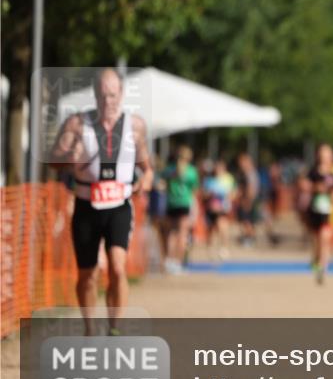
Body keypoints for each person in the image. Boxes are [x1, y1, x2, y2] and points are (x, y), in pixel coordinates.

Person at [49, 68, 154, 335]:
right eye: (102, 95)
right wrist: (71, 156)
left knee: (118, 269)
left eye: (113, 95)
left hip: (119, 205)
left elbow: (147, 167)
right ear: (95, 94)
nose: (108, 101)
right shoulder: (76, 123)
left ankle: (115, 328)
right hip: (86, 204)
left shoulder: (135, 125)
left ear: (121, 94)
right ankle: (89, 328)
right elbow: (54, 160)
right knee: (87, 274)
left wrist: (145, 180)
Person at [161, 145, 199, 273]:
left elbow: (162, 184)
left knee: (171, 234)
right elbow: (194, 191)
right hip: (184, 204)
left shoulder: (169, 170)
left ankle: (169, 260)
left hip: (171, 203)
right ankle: (178, 262)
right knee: (182, 234)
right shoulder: (192, 172)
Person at [305, 144, 333, 285]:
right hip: (314, 210)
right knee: (316, 240)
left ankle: (323, 268)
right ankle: (316, 259)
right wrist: (315, 188)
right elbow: (304, 185)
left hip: (328, 211)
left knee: (325, 238)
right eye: (323, 153)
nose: (325, 156)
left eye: (328, 154)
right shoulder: (313, 172)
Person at [201, 158, 236, 262]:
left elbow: (234, 192)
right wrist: (209, 195)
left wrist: (228, 198)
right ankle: (210, 249)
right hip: (210, 209)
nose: (218, 170)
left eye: (220, 168)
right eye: (217, 168)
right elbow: (203, 194)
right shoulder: (208, 180)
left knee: (222, 227)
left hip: (223, 208)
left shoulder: (229, 178)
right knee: (211, 230)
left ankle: (224, 249)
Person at [235, 152, 261, 246]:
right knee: (247, 220)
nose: (240, 165)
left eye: (242, 162)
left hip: (249, 200)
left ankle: (250, 238)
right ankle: (249, 237)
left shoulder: (250, 173)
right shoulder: (246, 173)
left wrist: (248, 201)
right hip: (247, 199)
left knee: (247, 220)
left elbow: (251, 188)